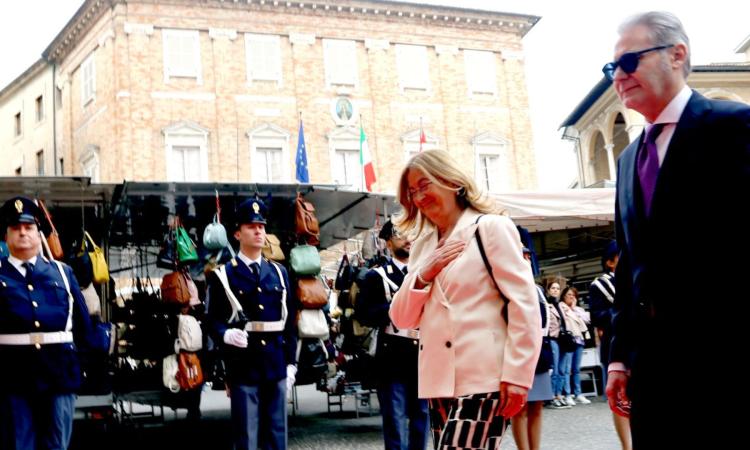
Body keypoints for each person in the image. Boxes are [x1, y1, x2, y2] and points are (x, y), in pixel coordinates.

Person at [604, 11, 750, 448]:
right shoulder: (630, 159)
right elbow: (630, 263)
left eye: (629, 61)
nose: (619, 76)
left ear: (676, 54)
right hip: (653, 369)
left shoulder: (733, 126)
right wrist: (618, 359)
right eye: (612, 68)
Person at [389, 149, 541, 450]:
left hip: (485, 377)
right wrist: (424, 273)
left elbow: (524, 303)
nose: (419, 197)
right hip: (438, 381)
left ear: (452, 181)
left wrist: (518, 375)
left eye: (424, 185)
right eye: (412, 192)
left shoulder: (491, 227)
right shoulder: (422, 245)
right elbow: (401, 318)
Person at [0, 196, 93, 450]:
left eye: (29, 228)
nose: (23, 233)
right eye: (16, 228)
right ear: (6, 236)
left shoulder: (63, 273)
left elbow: (84, 327)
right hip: (12, 376)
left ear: (39, 234)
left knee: (57, 444)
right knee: (20, 444)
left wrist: (80, 366)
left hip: (59, 374)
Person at [206, 198, 297, 450]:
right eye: (251, 226)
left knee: (277, 435)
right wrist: (225, 335)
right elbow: (211, 320)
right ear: (237, 233)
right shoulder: (224, 274)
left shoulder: (279, 272)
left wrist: (291, 363)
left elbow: (289, 323)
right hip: (243, 365)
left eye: (262, 226)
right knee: (247, 437)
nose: (258, 231)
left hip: (276, 363)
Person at [356, 220, 429, 450]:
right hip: (392, 357)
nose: (408, 240)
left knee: (421, 419)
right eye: (400, 235)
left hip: (422, 355)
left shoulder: (425, 272)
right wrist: (395, 308)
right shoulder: (376, 276)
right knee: (395, 422)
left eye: (411, 234)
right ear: (388, 243)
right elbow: (363, 314)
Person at [589, 241, 631, 450]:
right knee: (620, 399)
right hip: (614, 344)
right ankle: (626, 445)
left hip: (636, 342)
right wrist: (620, 314)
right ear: (609, 262)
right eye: (618, 256)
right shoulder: (599, 285)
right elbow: (596, 316)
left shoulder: (634, 278)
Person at [511, 247, 553, 450]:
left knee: (537, 406)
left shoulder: (537, 289)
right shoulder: (507, 286)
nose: (526, 258)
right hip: (518, 351)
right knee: (519, 408)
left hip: (540, 351)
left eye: (528, 255)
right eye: (521, 254)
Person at [559, 287, 590, 406]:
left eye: (573, 295)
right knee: (566, 369)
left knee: (576, 369)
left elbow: (587, 320)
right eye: (568, 294)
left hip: (579, 340)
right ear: (564, 296)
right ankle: (567, 394)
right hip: (568, 340)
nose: (571, 297)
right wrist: (570, 310)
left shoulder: (578, 309)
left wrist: (574, 309)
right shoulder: (561, 307)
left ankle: (578, 393)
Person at [544, 281, 570, 409]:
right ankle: (552, 396)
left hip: (563, 339)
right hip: (553, 338)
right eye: (553, 288)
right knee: (554, 370)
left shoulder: (561, 305)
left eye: (558, 288)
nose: (555, 290)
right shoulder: (546, 305)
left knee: (561, 370)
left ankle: (559, 394)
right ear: (548, 290)